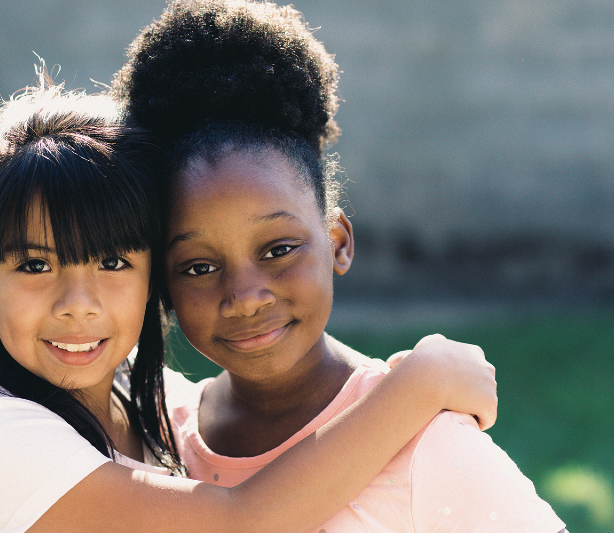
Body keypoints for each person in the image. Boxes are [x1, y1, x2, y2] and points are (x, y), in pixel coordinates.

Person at [0, 70, 497, 532]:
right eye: (35, 265)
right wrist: (424, 381)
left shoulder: (153, 408)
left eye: (112, 262)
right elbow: (244, 521)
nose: (77, 304)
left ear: (153, 277)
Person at [111, 0, 567, 531]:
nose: (246, 295)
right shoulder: (152, 441)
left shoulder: (432, 448)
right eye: (197, 267)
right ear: (160, 284)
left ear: (337, 242)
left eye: (278, 250)